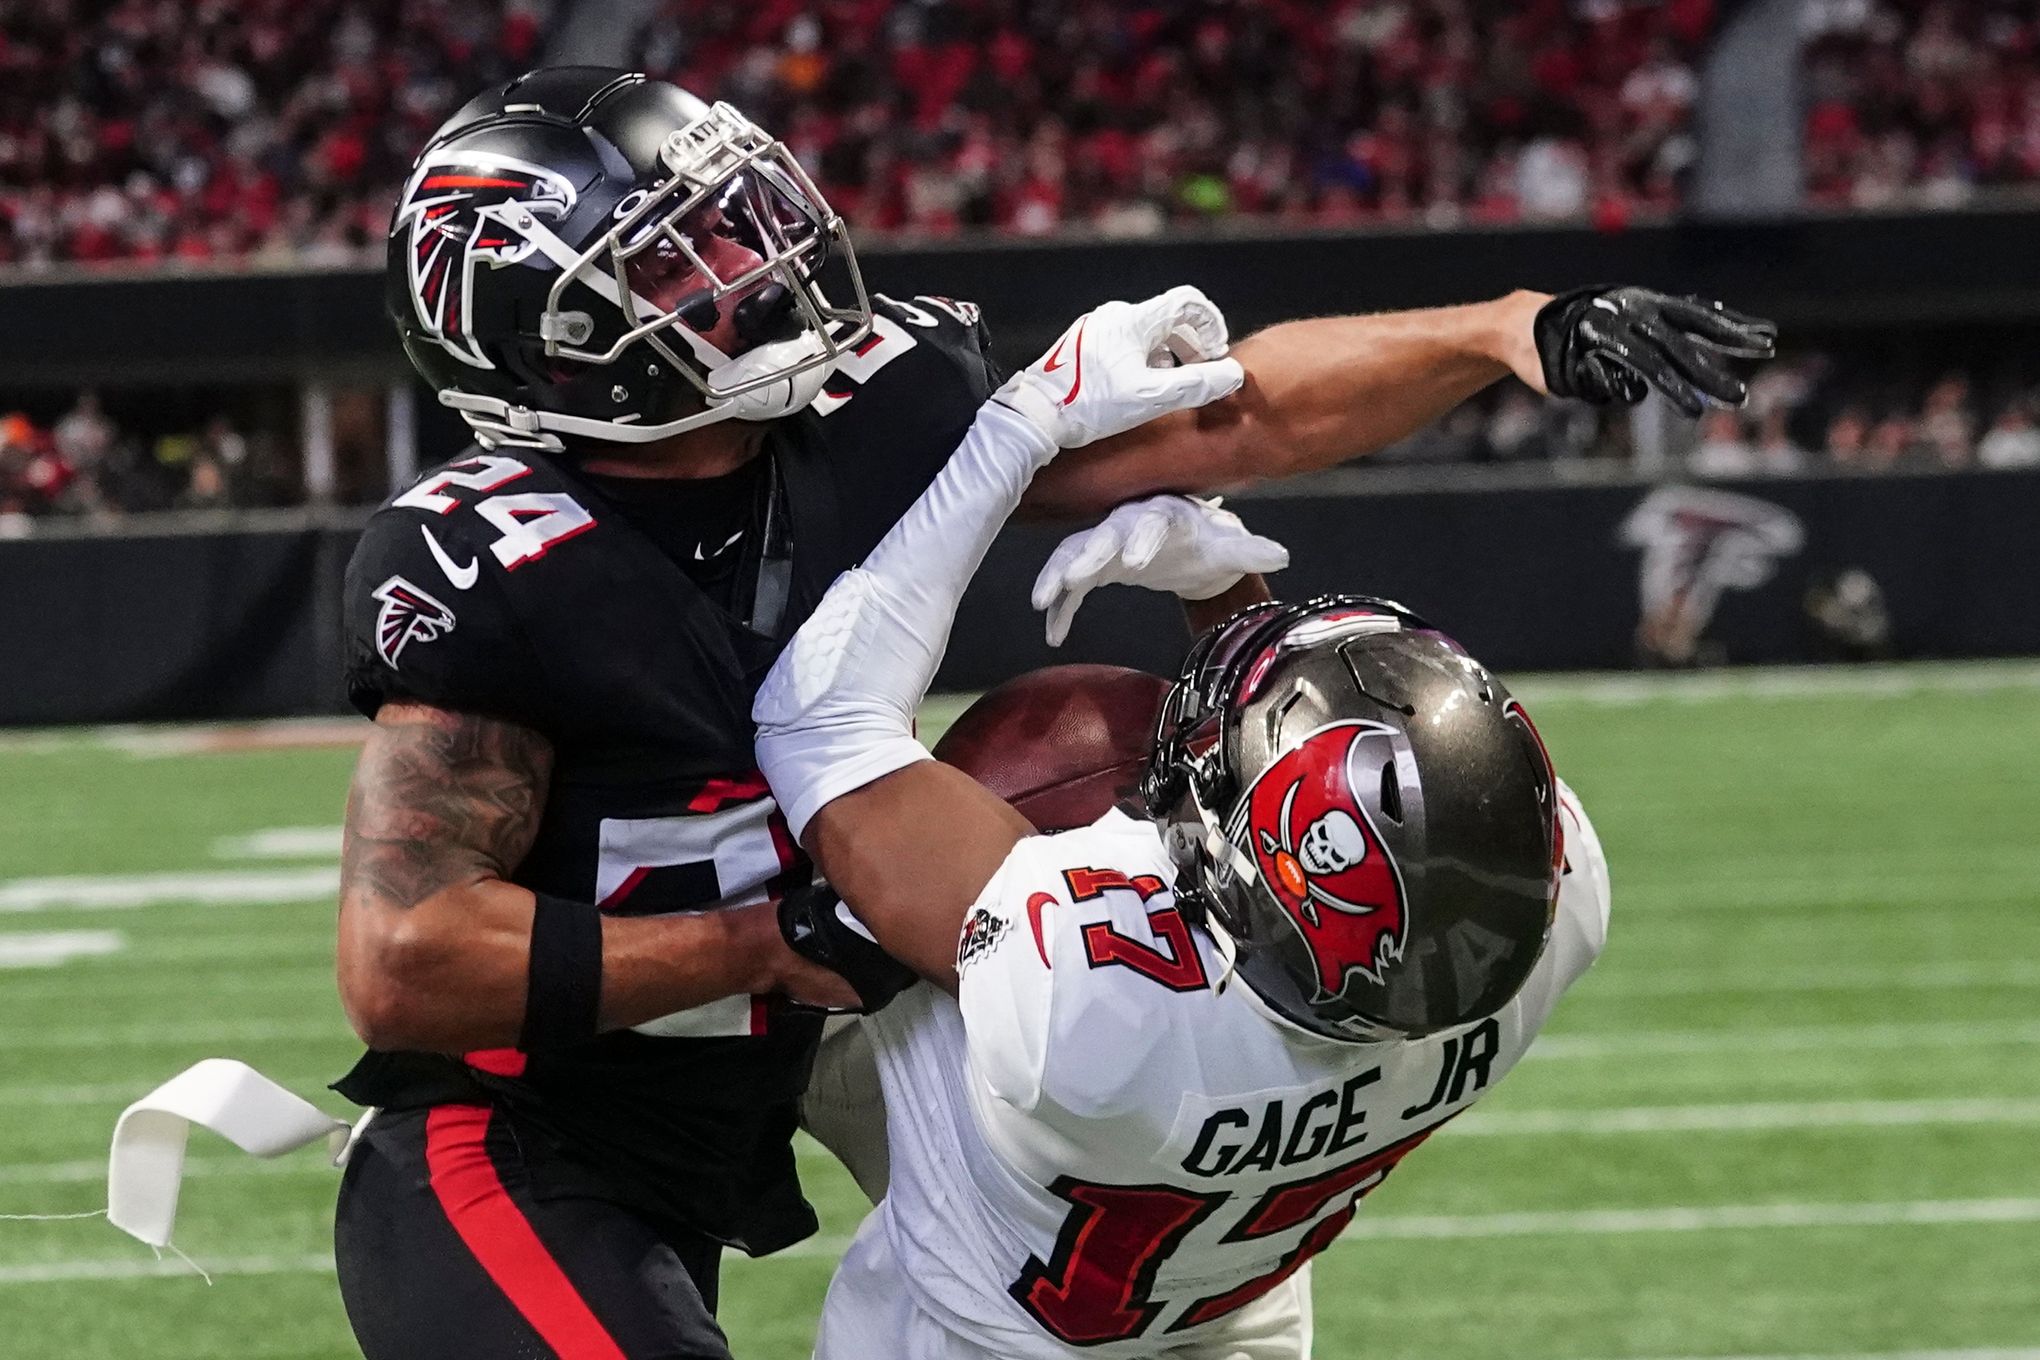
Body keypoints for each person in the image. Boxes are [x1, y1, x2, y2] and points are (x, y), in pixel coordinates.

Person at [332, 65, 1757, 1359]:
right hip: (553, 1113)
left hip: (845, 1016)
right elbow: (406, 959)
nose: (753, 263)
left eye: (744, 215)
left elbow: (1227, 418)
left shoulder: (868, 408)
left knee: (1151, 1109)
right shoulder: (491, 568)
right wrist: (761, 941)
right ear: (555, 337)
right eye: (683, 253)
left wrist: (1507, 331)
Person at [750, 297, 1610, 1357]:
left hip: (982, 1326)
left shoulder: (1087, 1012)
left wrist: (1020, 425)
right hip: (1227, 1299)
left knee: (773, 900)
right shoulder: (1534, 930)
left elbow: (819, 719)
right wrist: (1225, 593)